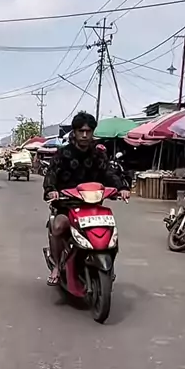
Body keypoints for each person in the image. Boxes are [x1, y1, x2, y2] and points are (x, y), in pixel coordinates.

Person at [43, 111, 130, 285]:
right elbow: (51, 175)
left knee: (110, 230)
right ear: (74, 132)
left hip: (93, 206)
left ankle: (108, 266)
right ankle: (57, 266)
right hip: (67, 205)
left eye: (88, 131)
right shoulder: (62, 154)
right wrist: (51, 190)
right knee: (59, 226)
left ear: (92, 132)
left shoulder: (98, 155)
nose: (84, 135)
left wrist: (121, 188)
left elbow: (109, 173)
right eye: (81, 131)